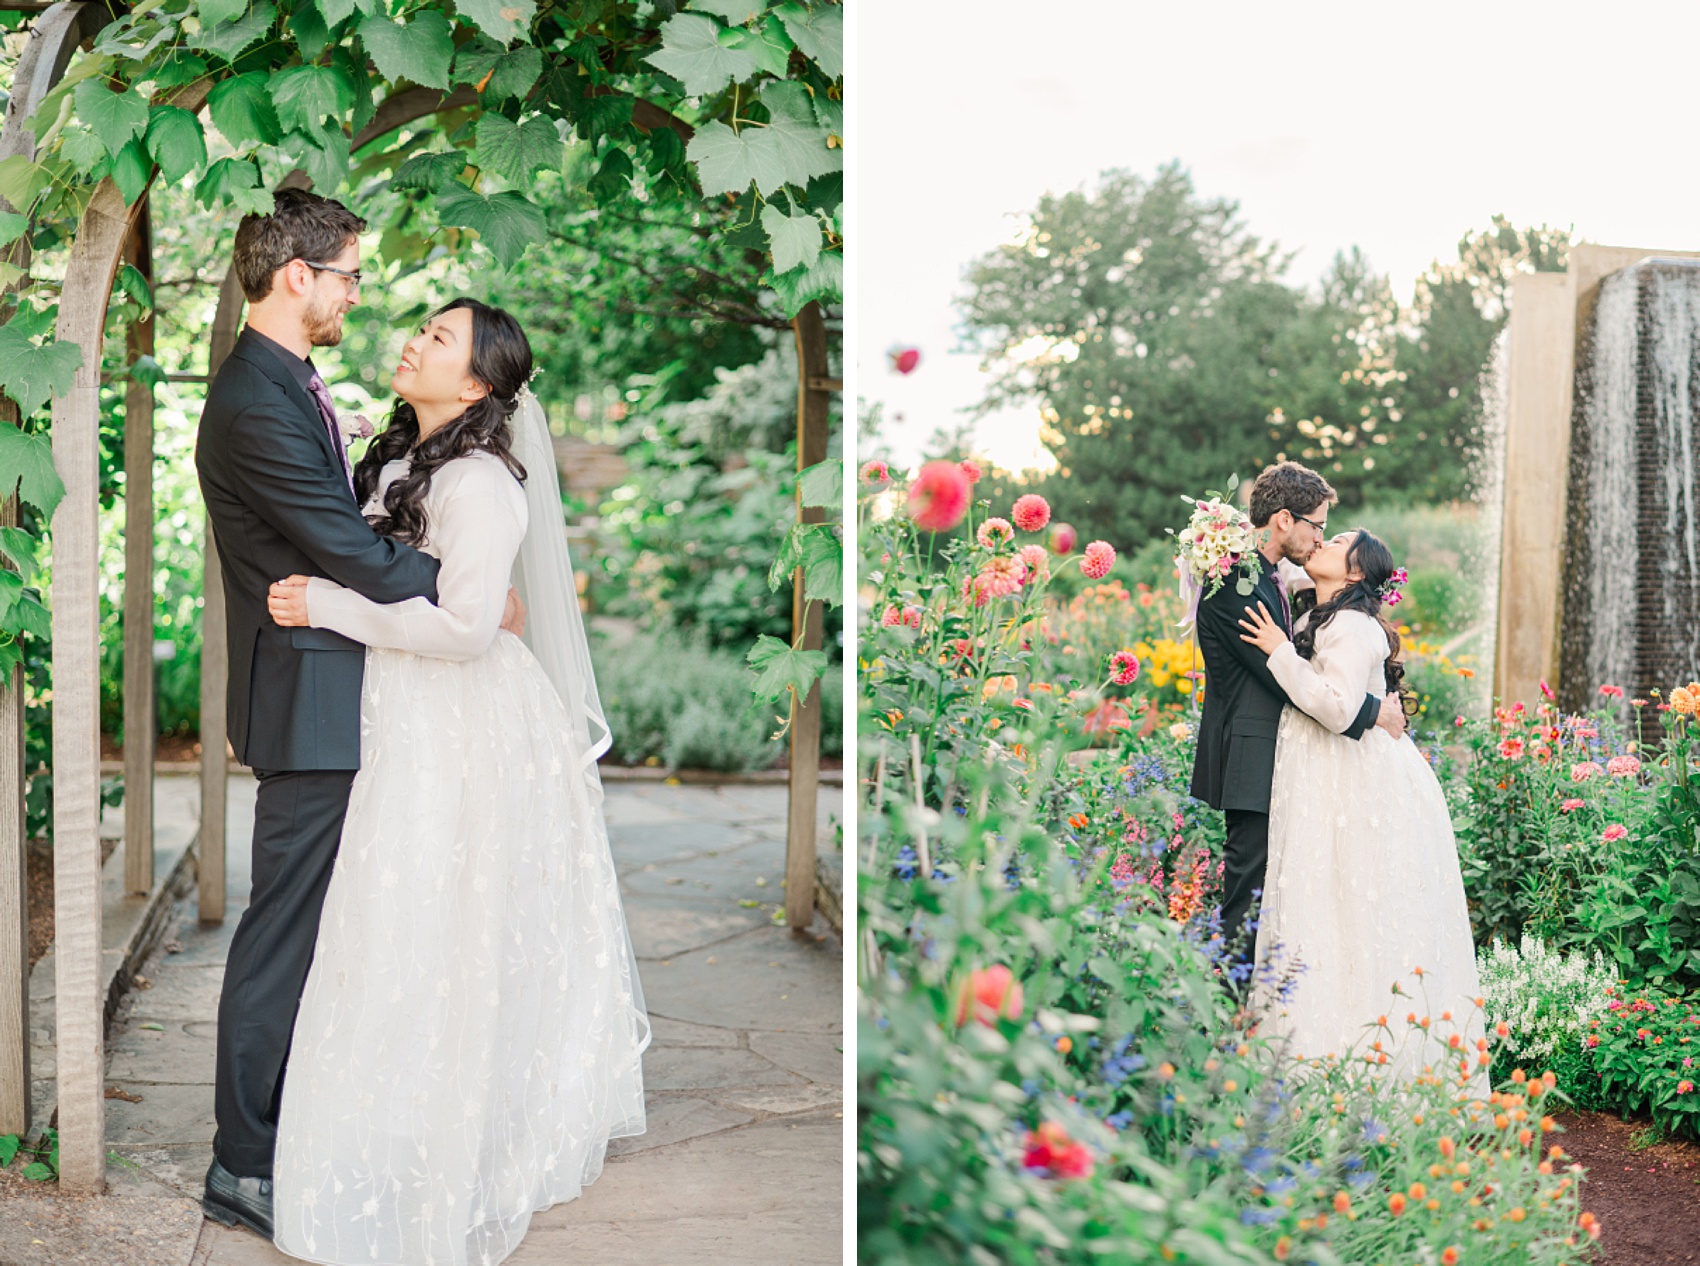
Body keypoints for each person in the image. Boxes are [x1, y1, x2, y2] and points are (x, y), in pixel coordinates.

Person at [264, 299, 649, 1266]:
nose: (415, 340)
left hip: (463, 722)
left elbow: (473, 628)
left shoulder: (480, 484)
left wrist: (328, 605)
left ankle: (462, 1119)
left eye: (441, 339)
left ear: (478, 384)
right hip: (401, 710)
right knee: (389, 918)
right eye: (421, 328)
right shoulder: (401, 460)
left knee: (445, 917)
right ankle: (394, 1113)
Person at [194, 190, 522, 1236]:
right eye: (348, 276)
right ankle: (242, 1163)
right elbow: (344, 545)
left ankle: (296, 1128)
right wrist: (459, 591)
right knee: (282, 937)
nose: (355, 295)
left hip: (346, 691)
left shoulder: (288, 381)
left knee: (334, 931)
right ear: (301, 276)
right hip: (309, 694)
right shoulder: (255, 397)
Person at [1237, 528, 1483, 1072]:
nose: (1323, 540)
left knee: (1350, 906)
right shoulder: (1321, 613)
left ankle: (1365, 1061)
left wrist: (1280, 652)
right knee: (1325, 904)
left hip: (1354, 779)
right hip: (1325, 774)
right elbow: (1289, 564)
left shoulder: (1350, 625)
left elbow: (1338, 707)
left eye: (1338, 539)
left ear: (1353, 573)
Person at [1188, 462, 1406, 986]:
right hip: (1253, 755)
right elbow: (1282, 677)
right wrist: (1376, 712)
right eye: (1317, 526)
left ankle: (1259, 1005)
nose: (1319, 538)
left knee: (1276, 895)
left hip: (1281, 759)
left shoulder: (1265, 575)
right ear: (1285, 520)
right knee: (1248, 894)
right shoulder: (1237, 586)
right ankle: (1228, 1009)